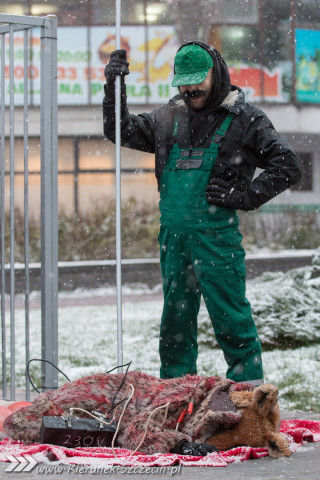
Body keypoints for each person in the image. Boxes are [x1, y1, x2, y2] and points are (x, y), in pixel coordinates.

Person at [103, 41, 302, 385]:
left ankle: (248, 405)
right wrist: (114, 88)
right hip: (173, 239)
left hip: (216, 241)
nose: (190, 89)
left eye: (198, 80)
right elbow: (118, 129)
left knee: (232, 322)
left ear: (217, 73)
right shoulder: (167, 118)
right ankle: (176, 398)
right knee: (175, 326)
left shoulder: (246, 120)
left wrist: (246, 196)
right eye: (184, 81)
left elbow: (288, 166)